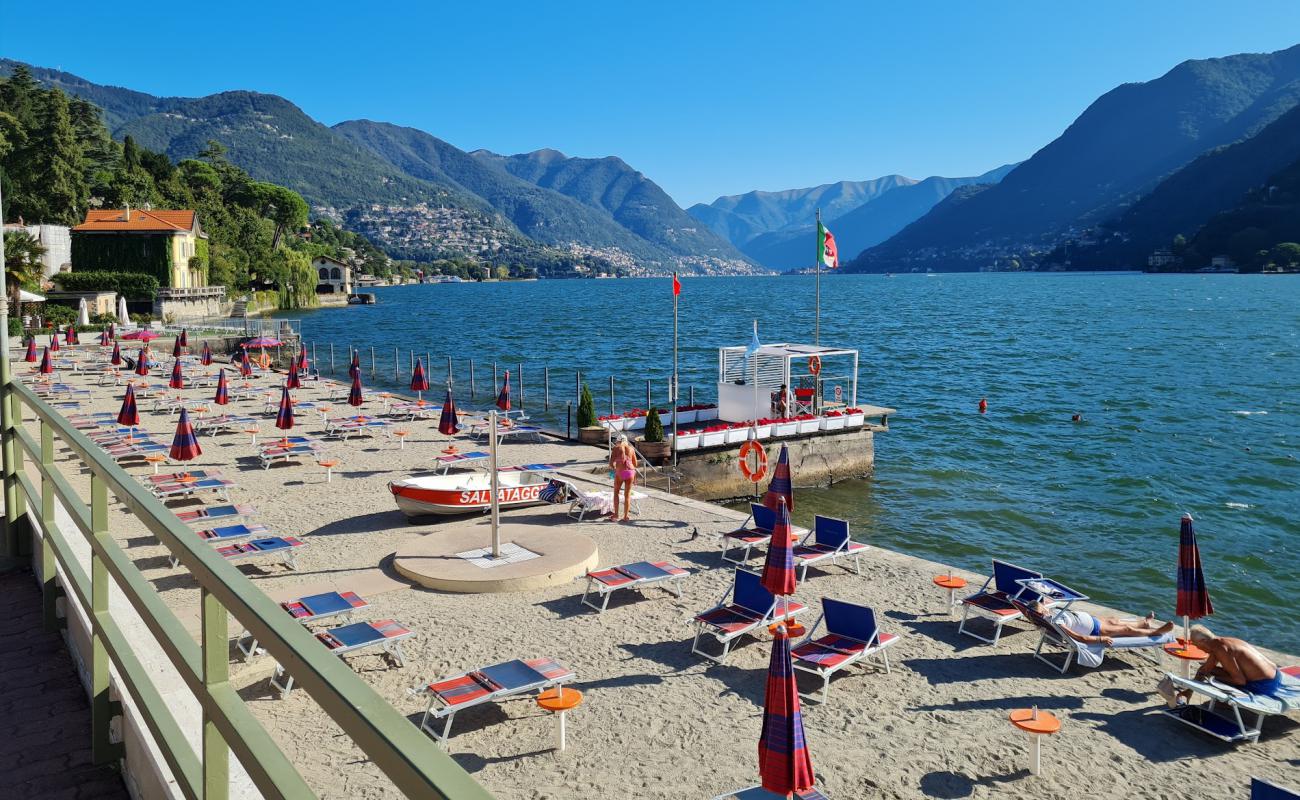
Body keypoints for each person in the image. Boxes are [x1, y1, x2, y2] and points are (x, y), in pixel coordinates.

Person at [1036, 601, 1173, 647]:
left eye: (1044, 607)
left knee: (1114, 620)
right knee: (1126, 628)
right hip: (1094, 630)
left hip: (1093, 620)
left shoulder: (1051, 612)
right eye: (1043, 610)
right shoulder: (1055, 621)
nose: (1046, 610)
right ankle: (1157, 632)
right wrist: (1101, 639)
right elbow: (1078, 637)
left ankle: (1144, 623)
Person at [608, 433, 637, 522]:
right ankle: (626, 516)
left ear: (618, 441)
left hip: (620, 472)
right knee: (627, 494)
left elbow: (611, 463)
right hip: (630, 472)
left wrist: (615, 469)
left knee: (616, 492)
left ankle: (616, 515)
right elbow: (635, 463)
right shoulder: (631, 449)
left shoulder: (616, 448)